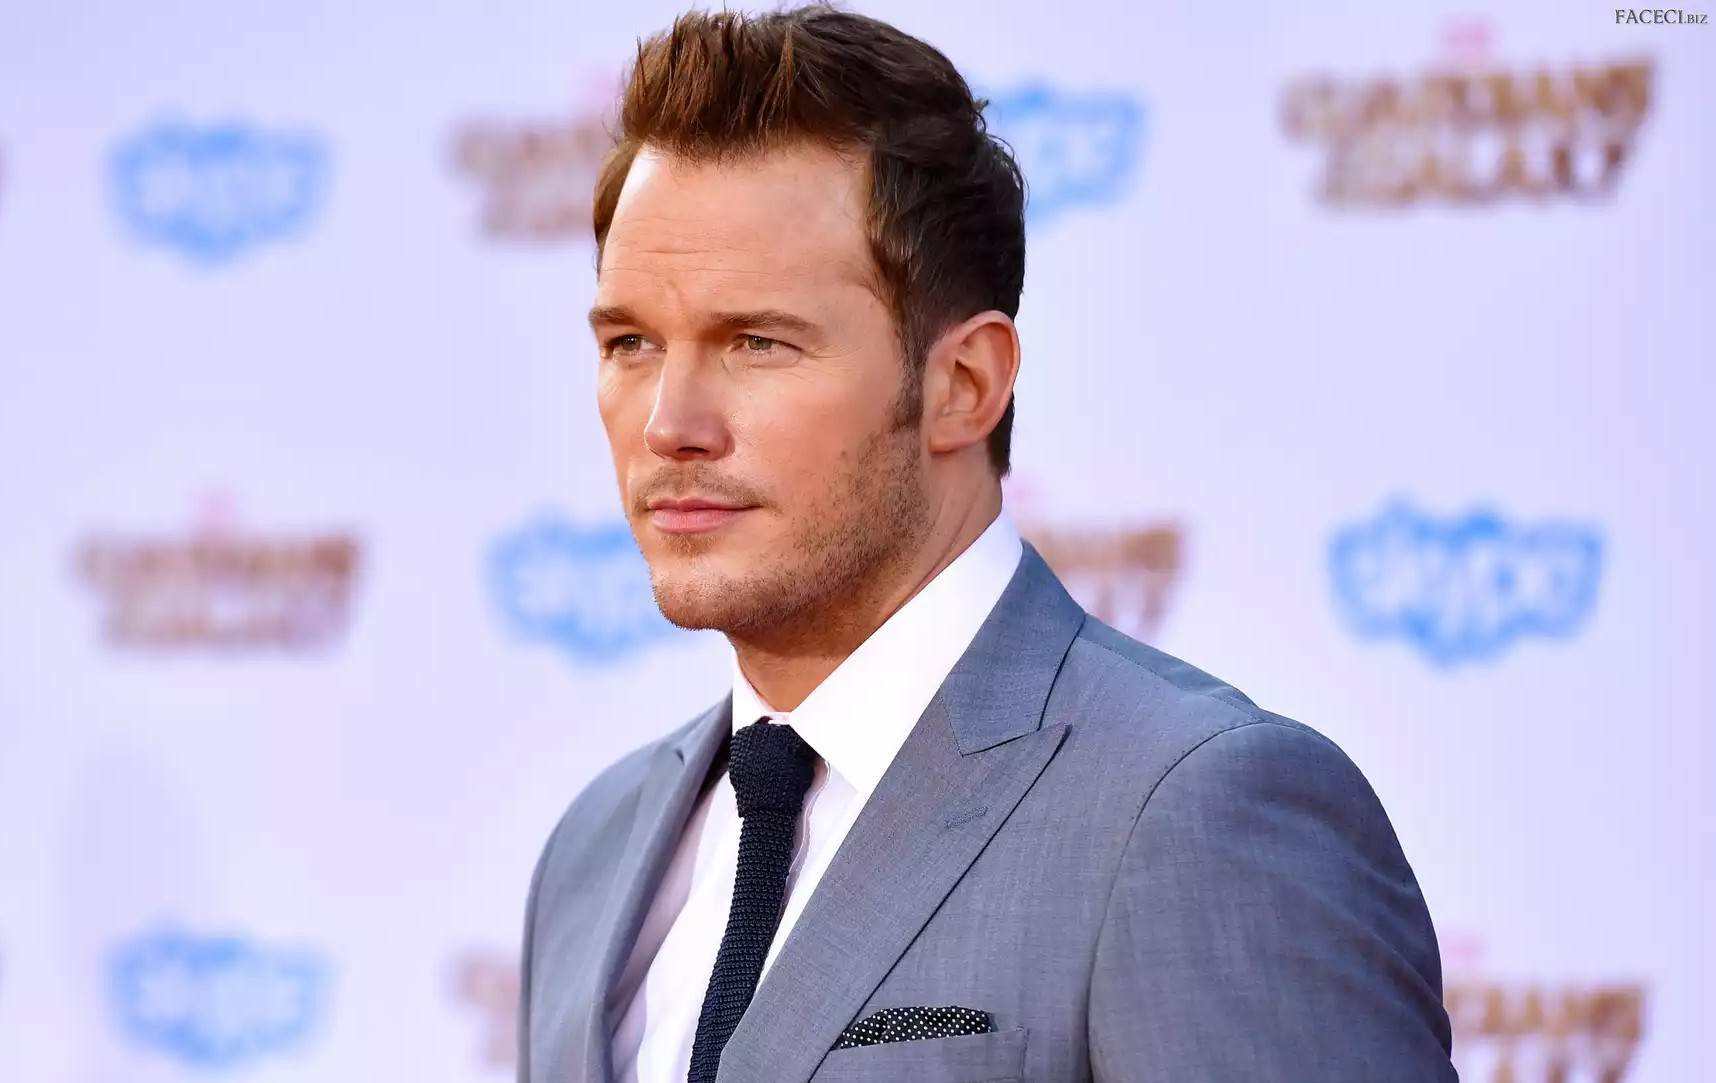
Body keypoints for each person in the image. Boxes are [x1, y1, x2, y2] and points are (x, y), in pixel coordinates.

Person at [518, 7, 1456, 1082]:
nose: (669, 423)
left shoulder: (1195, 810)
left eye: (759, 342)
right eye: (631, 342)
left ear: (964, 384)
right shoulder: (595, 849)